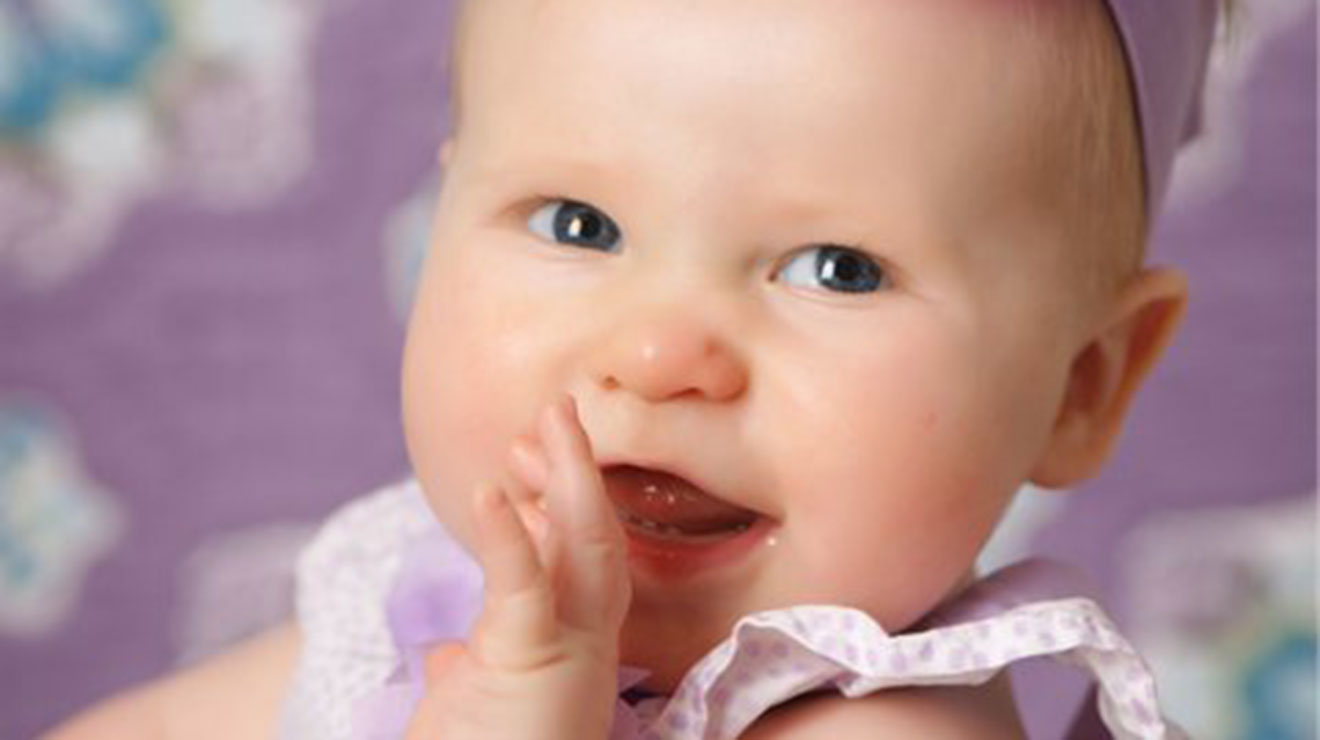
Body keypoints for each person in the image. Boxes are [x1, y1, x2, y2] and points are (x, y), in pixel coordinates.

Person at [47, 0, 1221, 737]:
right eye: (577, 225)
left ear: (1083, 382)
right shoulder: (421, 590)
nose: (662, 357)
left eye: (837, 268)